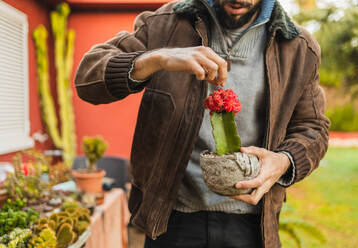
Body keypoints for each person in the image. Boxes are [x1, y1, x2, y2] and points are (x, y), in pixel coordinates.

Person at [74, 0, 330, 247]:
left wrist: (283, 160)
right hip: (171, 220)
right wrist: (157, 59)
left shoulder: (298, 47)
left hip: (253, 226)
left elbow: (314, 128)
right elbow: (87, 77)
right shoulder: (165, 25)